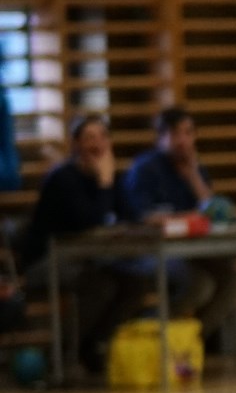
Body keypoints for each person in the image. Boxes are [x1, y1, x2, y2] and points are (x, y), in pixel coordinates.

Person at [14, 116, 145, 372]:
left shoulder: (109, 174)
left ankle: (94, 345)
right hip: (45, 260)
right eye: (89, 138)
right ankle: (61, 354)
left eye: (102, 137)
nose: (97, 144)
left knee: (134, 285)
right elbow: (89, 220)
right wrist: (104, 183)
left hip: (85, 258)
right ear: (75, 145)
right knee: (100, 286)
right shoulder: (63, 179)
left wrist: (109, 182)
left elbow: (133, 216)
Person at [125, 107, 236, 344]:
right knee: (200, 284)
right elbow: (146, 218)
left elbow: (213, 212)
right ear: (161, 137)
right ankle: (147, 331)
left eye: (189, 133)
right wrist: (192, 216)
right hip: (147, 252)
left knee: (232, 278)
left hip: (189, 251)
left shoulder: (194, 167)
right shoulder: (145, 169)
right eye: (176, 133)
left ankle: (192, 339)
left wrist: (193, 177)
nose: (183, 140)